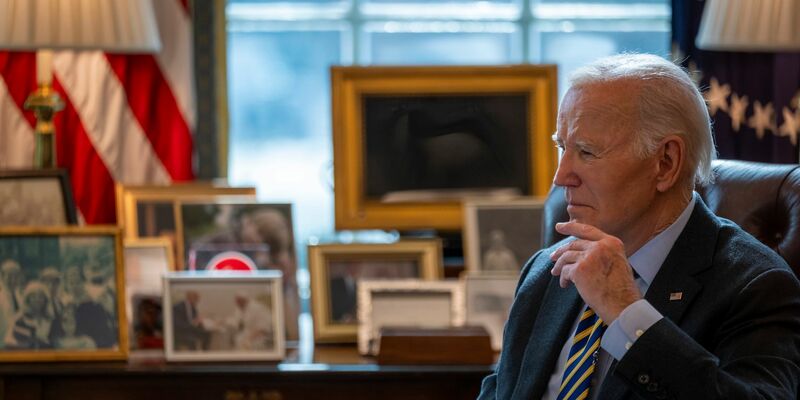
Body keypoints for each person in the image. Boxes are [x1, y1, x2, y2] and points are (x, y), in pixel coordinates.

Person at [478, 54, 800, 399]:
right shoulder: (545, 270)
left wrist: (629, 313)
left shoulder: (757, 285)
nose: (561, 177)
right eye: (562, 147)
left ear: (665, 163)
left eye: (586, 152)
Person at [4, 282, 53, 349]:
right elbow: (8, 341)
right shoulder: (19, 318)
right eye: (33, 296)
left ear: (45, 299)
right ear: (28, 299)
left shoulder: (50, 319)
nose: (37, 299)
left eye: (40, 296)